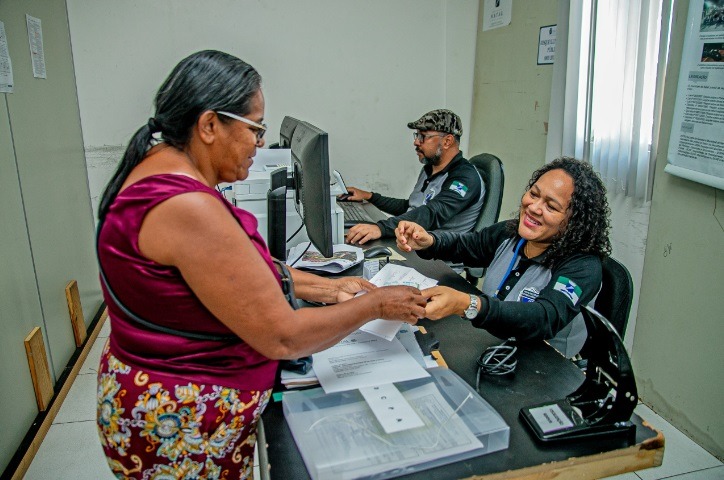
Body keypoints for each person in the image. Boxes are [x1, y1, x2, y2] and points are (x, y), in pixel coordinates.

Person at [95, 50, 426, 479]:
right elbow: (283, 339)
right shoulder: (189, 207)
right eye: (255, 128)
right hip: (182, 422)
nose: (260, 142)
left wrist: (325, 288)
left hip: (151, 393)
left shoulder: (155, 169)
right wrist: (375, 306)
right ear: (210, 125)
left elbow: (224, 275)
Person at [395, 157, 612, 358]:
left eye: (551, 206)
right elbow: (467, 245)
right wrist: (429, 240)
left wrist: (468, 304)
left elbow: (543, 317)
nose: (534, 208)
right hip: (492, 345)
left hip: (543, 367)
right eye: (534, 194)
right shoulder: (510, 233)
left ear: (575, 222)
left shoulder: (583, 266)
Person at [344, 109, 485, 244]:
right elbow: (412, 207)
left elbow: (432, 214)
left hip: (439, 262)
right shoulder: (430, 168)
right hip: (413, 247)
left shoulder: (465, 178)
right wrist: (369, 196)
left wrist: (381, 228)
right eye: (417, 136)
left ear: (447, 141)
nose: (416, 142)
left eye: (423, 136)